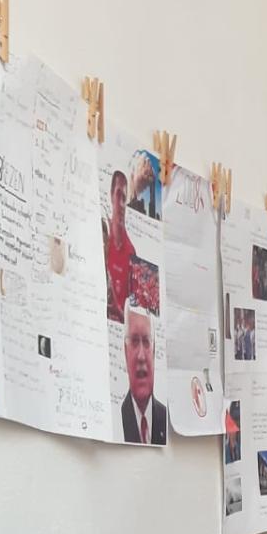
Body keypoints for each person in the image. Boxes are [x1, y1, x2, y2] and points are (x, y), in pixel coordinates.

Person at [119, 304, 168, 444]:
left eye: (146, 342)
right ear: (125, 351)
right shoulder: (118, 418)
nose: (141, 356)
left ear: (154, 352)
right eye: (134, 341)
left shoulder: (164, 417)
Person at [102, 170, 135, 322]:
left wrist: (118, 311)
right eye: (118, 195)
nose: (121, 204)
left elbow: (132, 316)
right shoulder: (102, 235)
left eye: (124, 198)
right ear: (111, 195)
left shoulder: (131, 252)